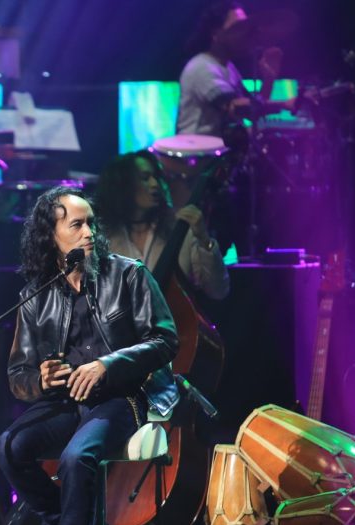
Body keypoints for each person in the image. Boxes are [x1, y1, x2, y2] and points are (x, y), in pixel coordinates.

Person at [0, 186, 179, 525]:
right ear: (51, 235)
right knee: (10, 446)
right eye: (76, 225)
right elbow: (18, 375)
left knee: (78, 457)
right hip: (67, 402)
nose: (89, 233)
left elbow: (165, 340)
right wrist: (43, 379)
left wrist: (107, 365)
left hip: (126, 396)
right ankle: (57, 523)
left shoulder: (129, 275)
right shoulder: (37, 294)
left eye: (91, 223)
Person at [97, 150, 230, 300]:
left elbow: (219, 290)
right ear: (123, 185)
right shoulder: (104, 240)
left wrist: (204, 240)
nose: (155, 184)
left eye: (156, 177)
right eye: (145, 178)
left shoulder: (181, 231)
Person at [176, 1, 292, 138]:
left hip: (219, 148)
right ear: (216, 33)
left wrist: (269, 78)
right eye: (238, 27)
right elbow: (237, 107)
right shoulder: (202, 67)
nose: (245, 34)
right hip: (197, 149)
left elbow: (254, 108)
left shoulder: (228, 66)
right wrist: (284, 104)